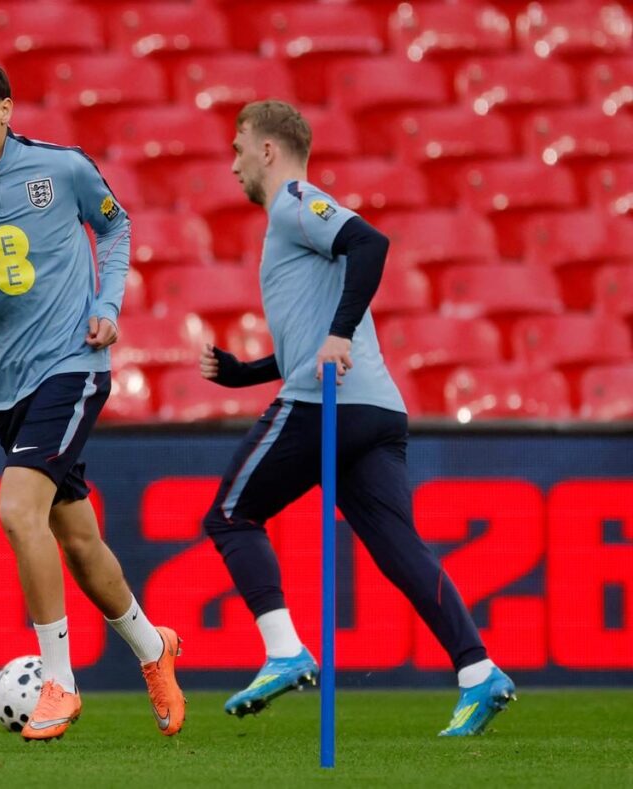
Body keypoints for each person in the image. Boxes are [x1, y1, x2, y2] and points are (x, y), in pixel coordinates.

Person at [198, 100, 516, 736]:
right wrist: (246, 373)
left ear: (267, 149)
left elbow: (372, 242)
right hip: (376, 409)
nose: (231, 164)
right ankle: (479, 672)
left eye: (238, 148)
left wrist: (339, 333)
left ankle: (285, 650)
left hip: (327, 404)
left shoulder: (295, 201)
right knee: (400, 551)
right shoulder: (290, 220)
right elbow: (308, 335)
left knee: (231, 515)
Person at [0, 58, 184, 741]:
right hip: (4, 387)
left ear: (5, 108)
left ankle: (58, 681)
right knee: (80, 541)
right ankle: (155, 648)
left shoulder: (62, 170)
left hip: (72, 363)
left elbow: (116, 226)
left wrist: (108, 303)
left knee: (15, 509)